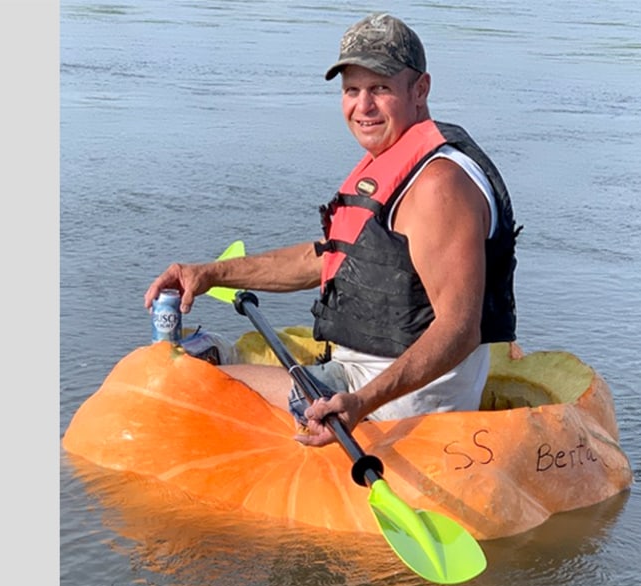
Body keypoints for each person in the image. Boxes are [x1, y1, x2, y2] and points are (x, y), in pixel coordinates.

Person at [144, 12, 519, 448]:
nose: (363, 106)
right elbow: (331, 257)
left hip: (397, 406)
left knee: (178, 379)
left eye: (380, 88)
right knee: (206, 349)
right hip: (362, 378)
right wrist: (210, 274)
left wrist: (361, 401)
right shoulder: (398, 157)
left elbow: (459, 329)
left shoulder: (438, 185)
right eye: (351, 90)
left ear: (420, 89)